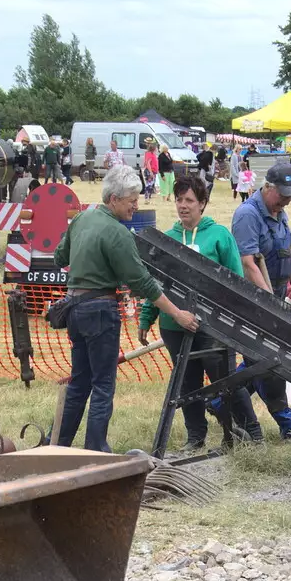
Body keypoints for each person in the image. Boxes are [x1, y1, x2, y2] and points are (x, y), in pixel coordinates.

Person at [54, 164, 198, 452]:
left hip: (75, 309)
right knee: (103, 385)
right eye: (132, 199)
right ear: (113, 199)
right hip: (100, 312)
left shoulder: (82, 218)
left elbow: (60, 257)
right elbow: (143, 282)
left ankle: (57, 446)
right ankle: (96, 451)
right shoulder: (118, 233)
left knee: (80, 382)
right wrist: (177, 313)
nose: (136, 205)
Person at [138, 174, 263, 450]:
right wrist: (147, 318)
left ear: (202, 204)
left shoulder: (219, 236)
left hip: (213, 326)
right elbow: (155, 283)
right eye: (179, 199)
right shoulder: (167, 239)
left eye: (190, 200)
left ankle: (251, 431)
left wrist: (235, 319)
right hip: (174, 325)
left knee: (225, 379)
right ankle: (195, 437)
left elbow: (236, 281)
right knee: (186, 383)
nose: (183, 205)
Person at [230, 162, 291, 439]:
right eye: (283, 193)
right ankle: (290, 425)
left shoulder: (279, 212)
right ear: (268, 187)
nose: (287, 199)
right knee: (270, 360)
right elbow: (248, 263)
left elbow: (284, 248)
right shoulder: (247, 215)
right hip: (255, 300)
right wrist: (268, 303)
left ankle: (218, 402)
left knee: (254, 362)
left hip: (275, 292)